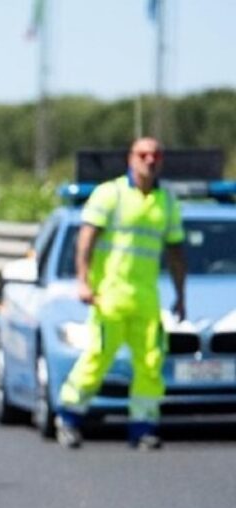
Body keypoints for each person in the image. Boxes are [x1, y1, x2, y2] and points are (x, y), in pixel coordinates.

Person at [56, 137, 185, 450]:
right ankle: (69, 416)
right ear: (131, 158)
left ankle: (143, 426)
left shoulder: (166, 201)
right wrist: (83, 281)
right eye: (143, 154)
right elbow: (86, 239)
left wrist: (182, 295)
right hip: (109, 297)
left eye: (155, 155)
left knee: (150, 364)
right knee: (97, 358)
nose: (150, 160)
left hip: (146, 299)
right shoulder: (110, 194)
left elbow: (176, 252)